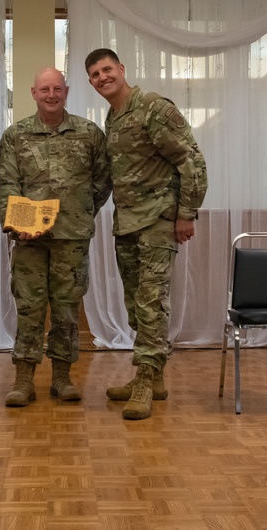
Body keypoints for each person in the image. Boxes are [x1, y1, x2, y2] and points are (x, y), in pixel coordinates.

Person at [84, 48, 207, 420]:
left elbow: (192, 161)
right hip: (127, 223)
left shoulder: (153, 107)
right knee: (138, 306)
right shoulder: (113, 117)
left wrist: (186, 214)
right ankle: (153, 377)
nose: (103, 78)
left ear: (121, 69)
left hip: (157, 222)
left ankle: (143, 383)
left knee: (152, 303)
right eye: (95, 74)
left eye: (107, 69)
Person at [0, 67, 111, 407]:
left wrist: (81, 211)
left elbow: (102, 181)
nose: (51, 94)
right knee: (29, 307)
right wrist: (21, 224)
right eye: (44, 89)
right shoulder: (16, 136)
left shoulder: (89, 134)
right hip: (29, 238)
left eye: (57, 89)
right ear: (33, 93)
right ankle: (23, 379)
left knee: (66, 310)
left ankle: (62, 377)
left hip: (71, 238)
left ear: (67, 91)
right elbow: (7, 184)